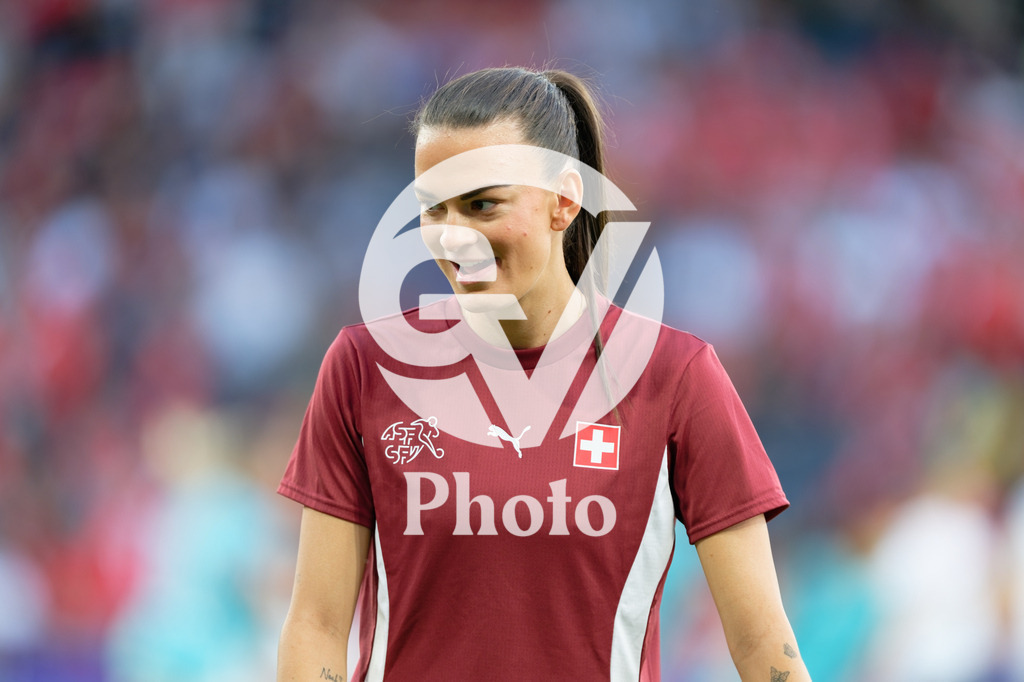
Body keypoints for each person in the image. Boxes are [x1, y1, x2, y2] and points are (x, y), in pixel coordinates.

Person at [276, 66, 811, 681]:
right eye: (433, 209)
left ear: (565, 200)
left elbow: (762, 644)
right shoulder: (364, 368)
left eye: (482, 205)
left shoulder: (676, 377)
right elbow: (316, 625)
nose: (454, 237)